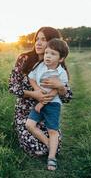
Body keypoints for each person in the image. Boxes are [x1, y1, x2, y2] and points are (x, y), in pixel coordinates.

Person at [8, 27, 72, 158]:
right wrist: (34, 94)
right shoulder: (24, 58)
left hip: (47, 111)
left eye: (43, 39)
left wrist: (60, 87)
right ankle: (48, 146)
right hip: (25, 112)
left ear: (53, 42)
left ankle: (51, 148)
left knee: (56, 147)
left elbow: (67, 97)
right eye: (37, 39)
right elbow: (12, 86)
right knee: (35, 148)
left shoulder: (57, 64)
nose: (38, 43)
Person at [26, 38, 70, 171]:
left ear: (61, 59)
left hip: (52, 105)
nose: (48, 56)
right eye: (46, 53)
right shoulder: (40, 66)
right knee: (29, 124)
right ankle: (49, 144)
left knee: (53, 130)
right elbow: (31, 77)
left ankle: (52, 158)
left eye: (53, 54)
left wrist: (42, 102)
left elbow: (57, 90)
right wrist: (36, 89)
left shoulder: (61, 72)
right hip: (39, 100)